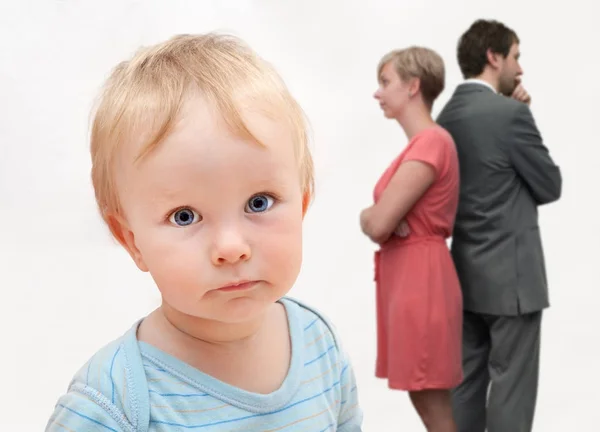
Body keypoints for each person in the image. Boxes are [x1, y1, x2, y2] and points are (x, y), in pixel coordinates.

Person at [45, 33, 363, 432]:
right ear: (131, 240)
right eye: (184, 216)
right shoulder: (114, 403)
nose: (231, 248)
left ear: (301, 205)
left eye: (258, 202)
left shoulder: (320, 345)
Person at [436, 19, 562, 432]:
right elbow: (550, 185)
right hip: (514, 282)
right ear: (493, 57)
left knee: (467, 384)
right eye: (515, 56)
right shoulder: (510, 114)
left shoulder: (445, 117)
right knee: (512, 390)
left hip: (466, 277)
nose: (519, 68)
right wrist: (524, 113)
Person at [360, 46, 462, 432]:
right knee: (426, 396)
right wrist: (381, 218)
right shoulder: (423, 146)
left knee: (432, 400)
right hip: (412, 277)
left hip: (421, 280)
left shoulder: (431, 143)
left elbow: (378, 223)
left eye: (385, 82)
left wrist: (371, 216)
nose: (378, 92)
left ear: (413, 86)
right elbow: (385, 221)